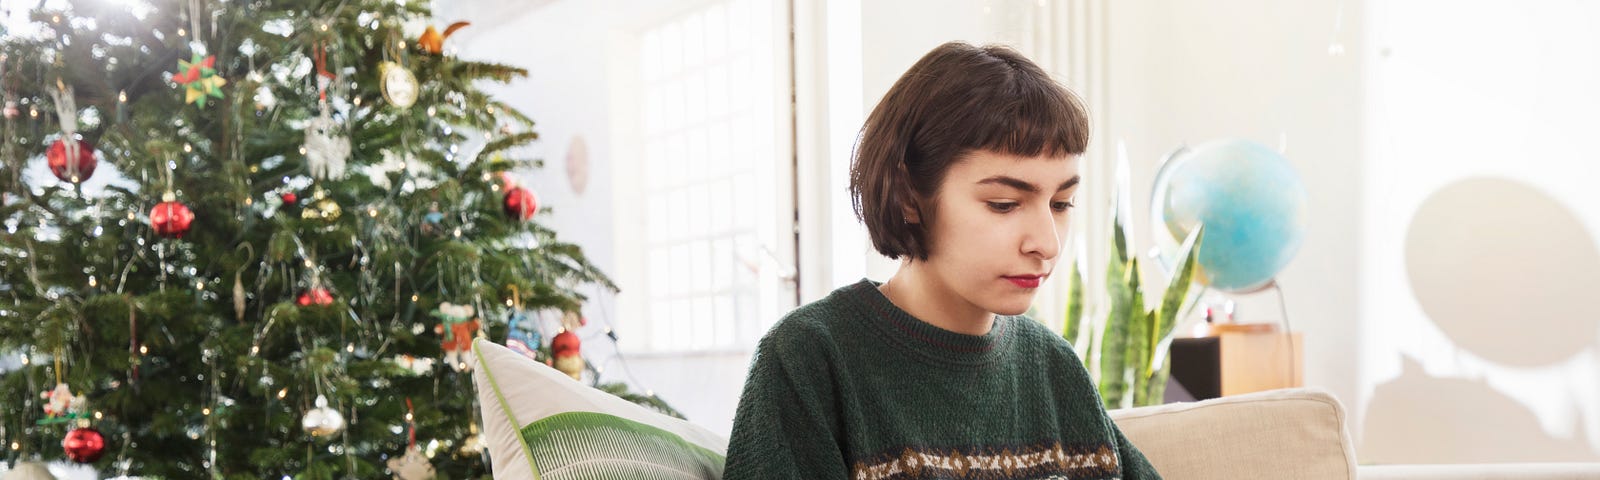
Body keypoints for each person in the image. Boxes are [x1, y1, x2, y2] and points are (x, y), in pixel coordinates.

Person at [723, 41, 1161, 479]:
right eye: (1005, 203)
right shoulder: (809, 359)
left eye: (1062, 203)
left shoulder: (1054, 367)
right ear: (908, 195)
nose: (1047, 243)